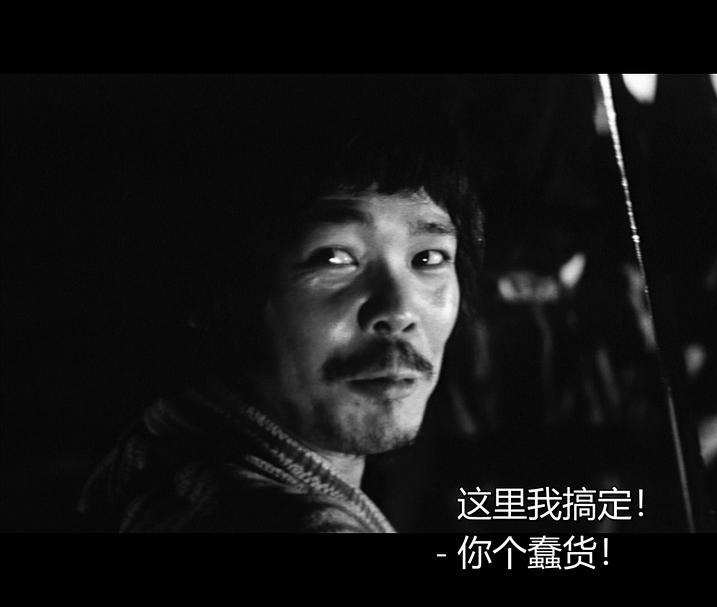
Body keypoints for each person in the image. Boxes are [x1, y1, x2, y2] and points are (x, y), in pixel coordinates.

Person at [78, 76, 484, 532]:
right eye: (335, 257)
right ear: (218, 289)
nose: (399, 311)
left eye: (428, 259)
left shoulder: (162, 448)